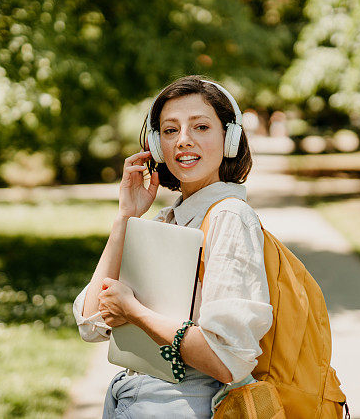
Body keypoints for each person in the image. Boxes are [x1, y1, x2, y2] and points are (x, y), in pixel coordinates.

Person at [72, 75, 273, 418]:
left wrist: (135, 312)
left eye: (201, 127)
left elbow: (226, 361)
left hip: (180, 405)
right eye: (169, 130)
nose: (184, 140)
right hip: (135, 398)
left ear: (230, 138)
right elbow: (92, 323)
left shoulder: (229, 217)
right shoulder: (171, 220)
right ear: (156, 143)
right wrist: (125, 218)